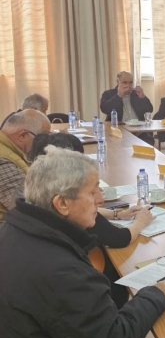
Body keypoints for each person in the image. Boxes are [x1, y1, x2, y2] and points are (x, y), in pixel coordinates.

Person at [0, 147, 165, 338]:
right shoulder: (62, 270)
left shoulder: (14, 230)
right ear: (62, 203)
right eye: (92, 191)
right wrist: (154, 295)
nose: (100, 199)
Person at [28, 131, 155, 308]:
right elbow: (119, 238)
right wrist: (140, 222)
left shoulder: (37, 206)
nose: (100, 199)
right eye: (92, 192)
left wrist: (117, 214)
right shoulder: (68, 269)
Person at [0, 110, 51, 221]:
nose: (46, 142)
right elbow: (27, 209)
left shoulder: (13, 150)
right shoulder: (3, 163)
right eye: (43, 137)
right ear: (23, 135)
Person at [100, 71, 154, 145]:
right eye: (124, 82)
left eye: (130, 82)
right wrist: (119, 95)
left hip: (139, 131)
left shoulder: (136, 93)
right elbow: (105, 109)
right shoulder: (109, 93)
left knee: (148, 141)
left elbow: (149, 109)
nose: (128, 85)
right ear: (118, 82)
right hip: (118, 131)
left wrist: (142, 97)